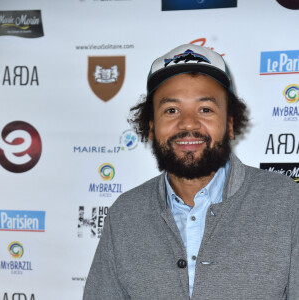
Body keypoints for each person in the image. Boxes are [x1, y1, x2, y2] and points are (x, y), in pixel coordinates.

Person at [83, 44, 299, 300]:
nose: (187, 123)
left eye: (205, 109)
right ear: (151, 127)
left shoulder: (288, 203)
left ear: (230, 124)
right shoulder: (125, 214)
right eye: (171, 110)